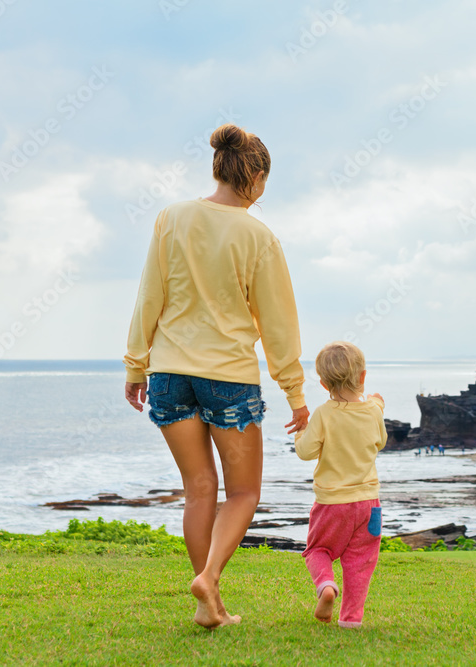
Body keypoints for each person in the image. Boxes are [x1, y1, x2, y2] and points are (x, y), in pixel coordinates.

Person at [123, 124, 308, 629]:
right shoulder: (259, 236)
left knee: (199, 489)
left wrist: (136, 364)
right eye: (266, 179)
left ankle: (212, 606)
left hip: (167, 372)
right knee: (243, 494)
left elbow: (149, 296)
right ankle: (207, 579)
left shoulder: (172, 217)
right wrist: (295, 394)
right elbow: (277, 324)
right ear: (254, 174)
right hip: (228, 375)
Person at [295, 341, 387, 629]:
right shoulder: (372, 410)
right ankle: (351, 620)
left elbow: (305, 452)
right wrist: (378, 405)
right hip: (369, 504)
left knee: (318, 550)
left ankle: (326, 586)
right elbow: (380, 442)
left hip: (332, 504)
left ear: (323, 384)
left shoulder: (324, 414)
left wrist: (301, 430)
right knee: (360, 564)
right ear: (362, 377)